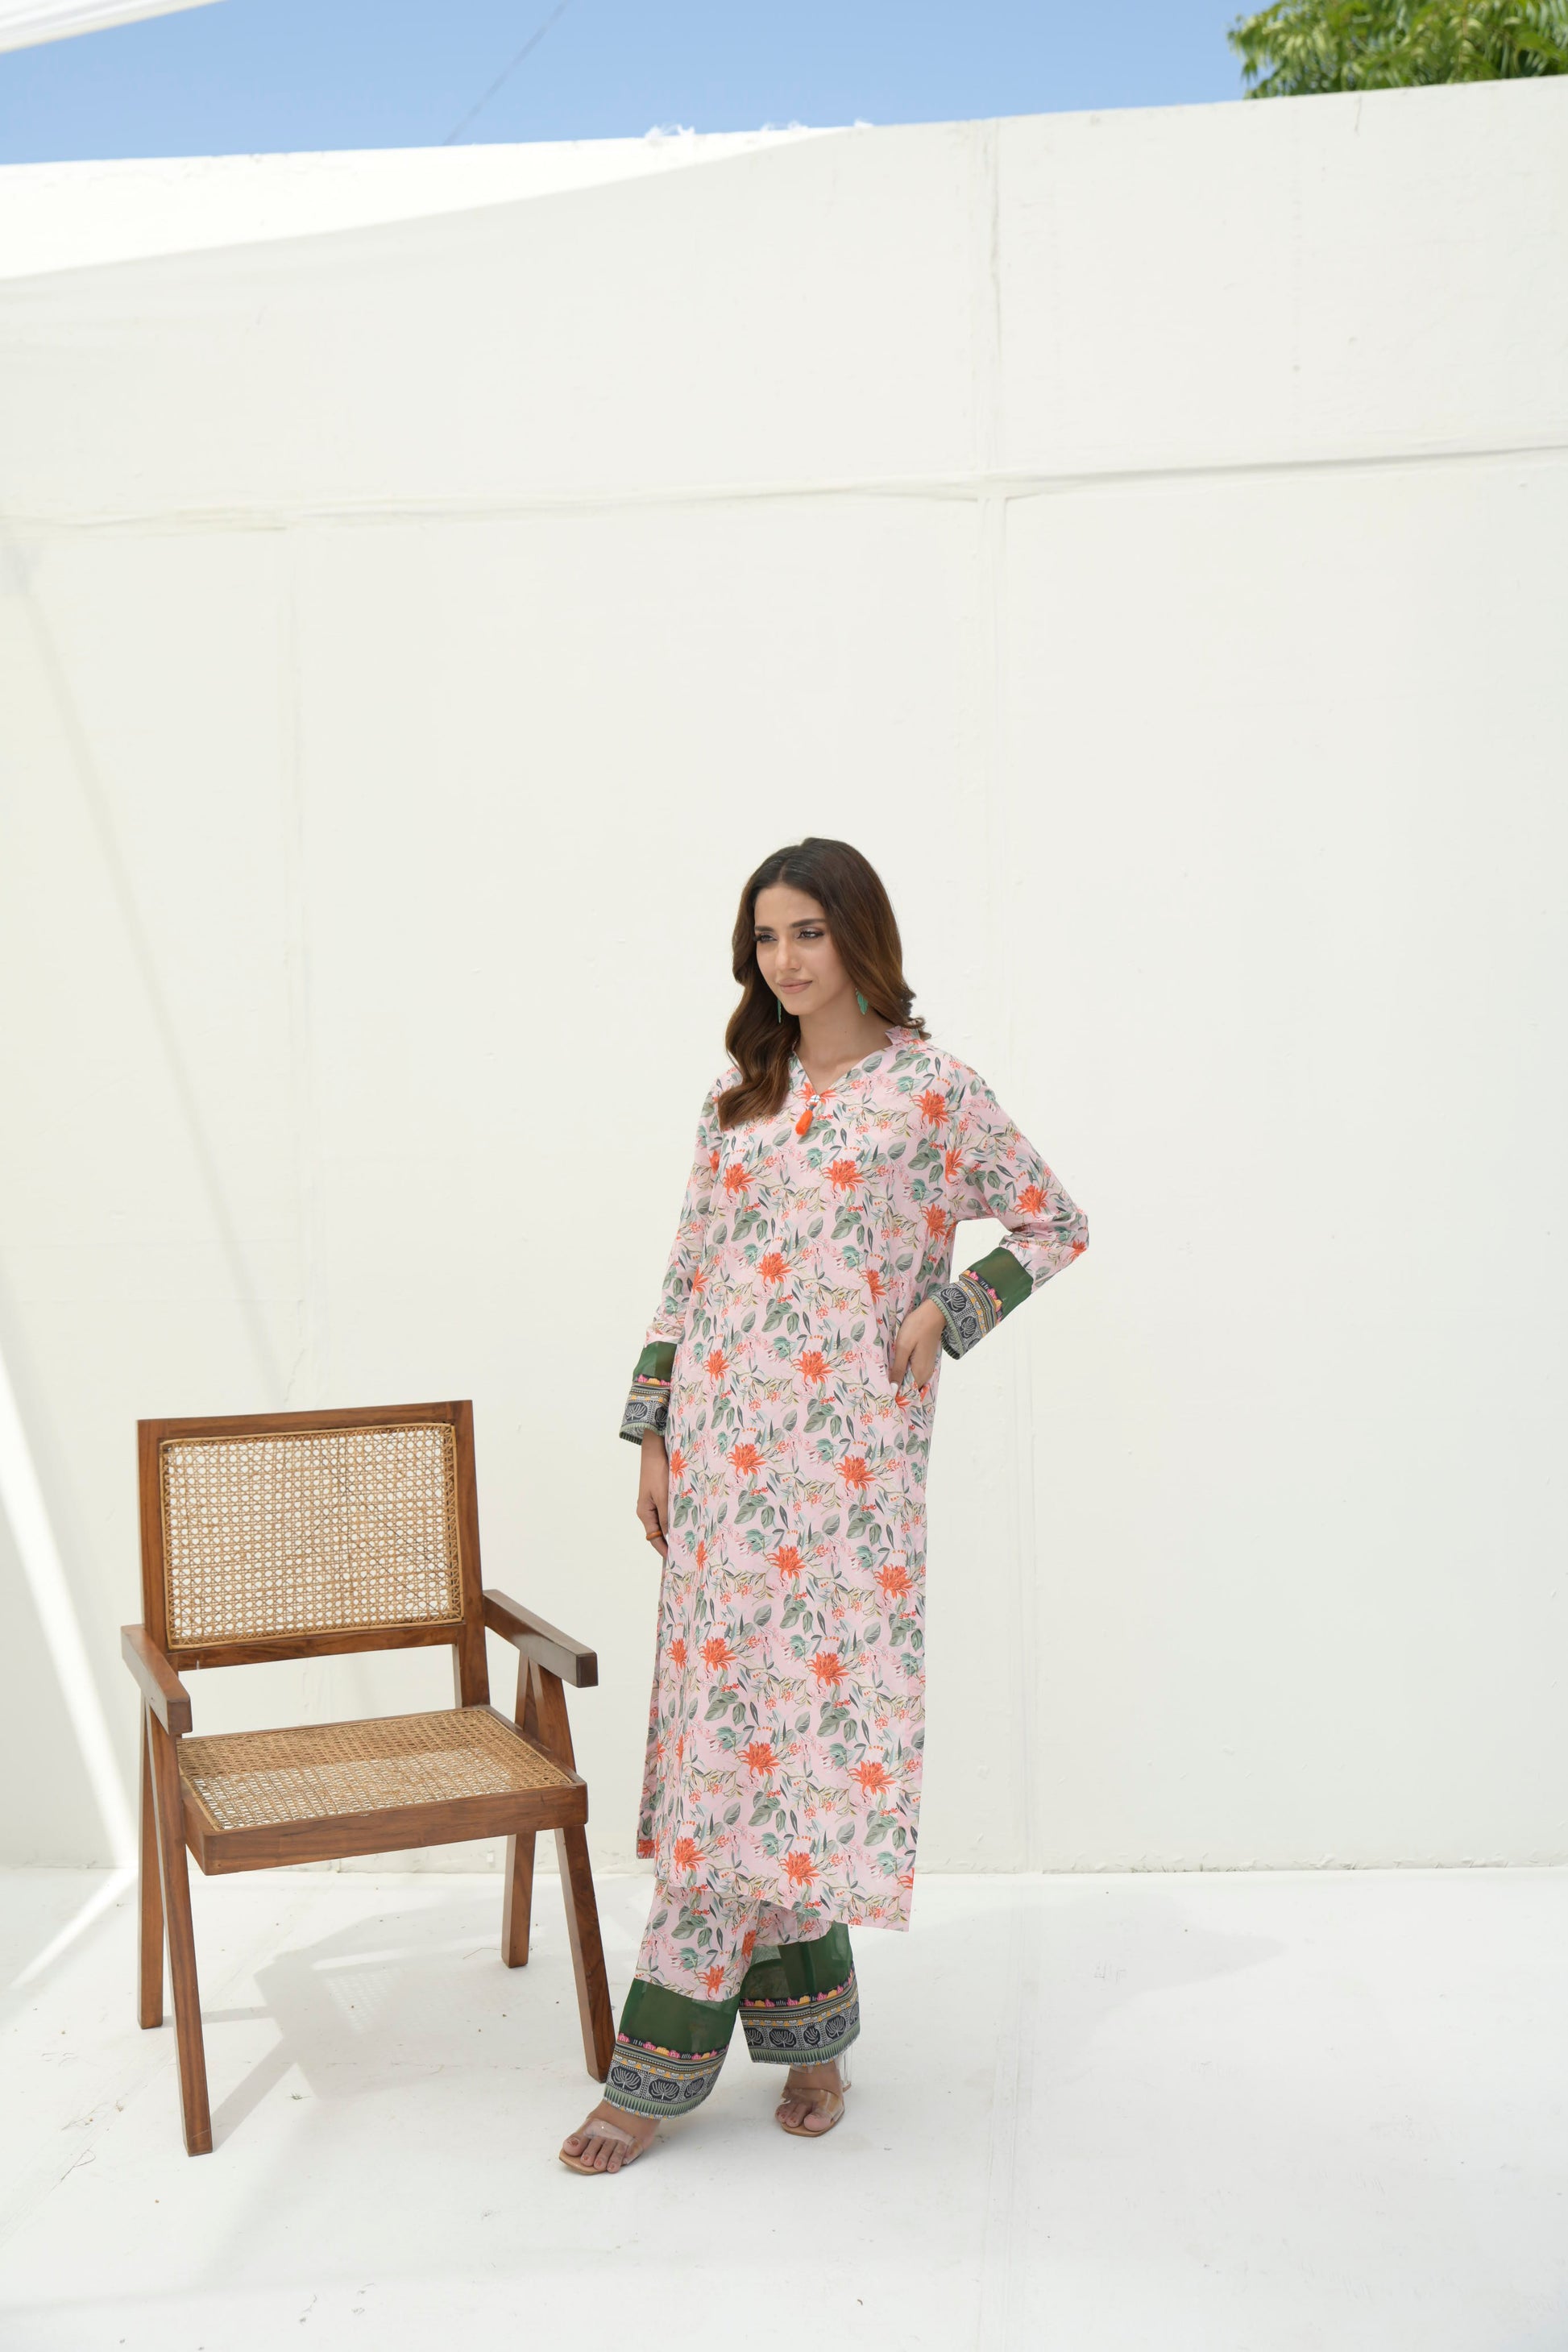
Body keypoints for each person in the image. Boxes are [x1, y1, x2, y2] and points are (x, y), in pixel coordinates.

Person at [559, 836, 1089, 2174]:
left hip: (849, 1479)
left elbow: (1052, 1222)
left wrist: (950, 1310)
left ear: (858, 936)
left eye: (807, 931)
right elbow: (687, 1271)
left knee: (796, 1751)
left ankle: (688, 2068)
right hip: (722, 1470)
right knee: (723, 1754)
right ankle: (784, 2049)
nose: (785, 960)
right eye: (766, 937)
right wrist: (653, 1435)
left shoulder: (930, 1090)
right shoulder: (740, 1097)